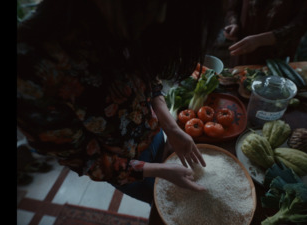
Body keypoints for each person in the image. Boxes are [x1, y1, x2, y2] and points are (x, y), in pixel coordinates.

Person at [17, 0, 225, 204]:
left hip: (155, 136)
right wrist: (157, 171)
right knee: (167, 203)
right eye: (153, 8)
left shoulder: (135, 18)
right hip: (123, 166)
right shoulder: (30, 68)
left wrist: (170, 127)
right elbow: (87, 161)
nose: (159, 17)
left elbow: (149, 78)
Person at [223, 0, 307, 67]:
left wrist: (260, 40)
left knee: (272, 88)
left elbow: (304, 22)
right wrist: (233, 23)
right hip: (243, 48)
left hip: (276, 56)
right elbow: (233, 7)